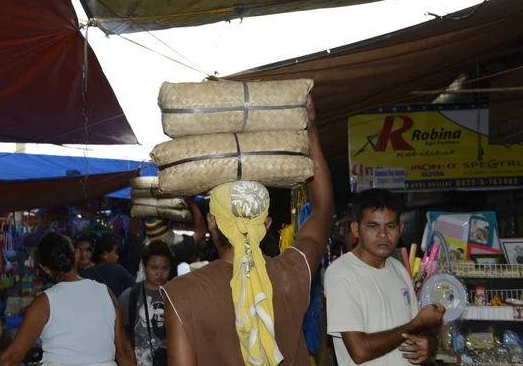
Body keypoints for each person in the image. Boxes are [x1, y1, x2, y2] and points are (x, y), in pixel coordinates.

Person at [162, 95, 334, 366]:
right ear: (266, 226)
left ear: (212, 222)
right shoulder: (293, 272)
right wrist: (310, 129)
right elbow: (323, 209)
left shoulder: (181, 294)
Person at [324, 189, 445, 365]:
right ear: (356, 229)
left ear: (400, 229)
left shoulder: (398, 268)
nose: (383, 234)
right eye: (373, 226)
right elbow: (360, 351)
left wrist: (430, 344)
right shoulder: (341, 273)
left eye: (390, 226)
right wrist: (416, 324)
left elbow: (416, 330)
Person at [0, 233, 135, 366]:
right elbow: (123, 351)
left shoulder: (44, 303)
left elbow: (10, 359)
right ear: (76, 255)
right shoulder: (106, 293)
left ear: (44, 268)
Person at [119, 241, 174, 366]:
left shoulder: (177, 295)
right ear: (144, 267)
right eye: (154, 268)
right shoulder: (129, 296)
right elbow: (119, 337)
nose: (159, 273)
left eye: (165, 268)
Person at [138, 199, 206, 280]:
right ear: (169, 223)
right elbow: (200, 232)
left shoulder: (142, 248)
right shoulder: (175, 251)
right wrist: (192, 203)